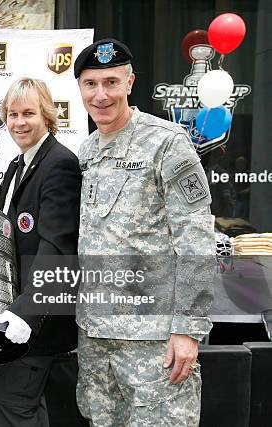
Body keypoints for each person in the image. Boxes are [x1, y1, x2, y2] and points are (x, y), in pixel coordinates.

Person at [74, 38, 215, 426]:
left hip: (154, 343)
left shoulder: (167, 143)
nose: (100, 95)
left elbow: (196, 238)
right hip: (96, 338)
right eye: (91, 84)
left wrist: (188, 329)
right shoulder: (86, 152)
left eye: (111, 82)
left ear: (130, 83)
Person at [0, 77, 81, 427]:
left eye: (29, 113)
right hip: (19, 313)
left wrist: (26, 312)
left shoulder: (58, 163)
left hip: (37, 321)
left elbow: (57, 245)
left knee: (12, 404)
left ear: (46, 115)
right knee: (28, 406)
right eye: (12, 114)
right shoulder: (18, 166)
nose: (19, 122)